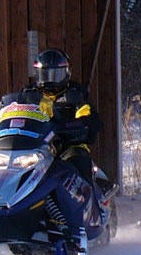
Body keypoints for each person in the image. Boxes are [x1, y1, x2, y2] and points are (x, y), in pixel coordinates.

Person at [11, 48, 102, 189]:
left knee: (79, 162)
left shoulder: (75, 94)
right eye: (45, 74)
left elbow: (87, 116)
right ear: (37, 73)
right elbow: (15, 113)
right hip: (35, 147)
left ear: (66, 73)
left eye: (55, 74)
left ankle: (88, 205)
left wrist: (78, 125)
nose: (49, 79)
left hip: (68, 146)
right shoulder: (27, 95)